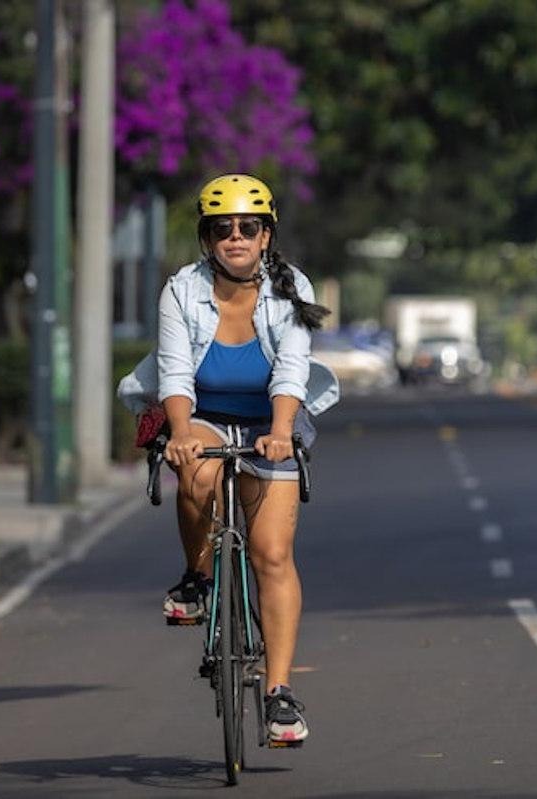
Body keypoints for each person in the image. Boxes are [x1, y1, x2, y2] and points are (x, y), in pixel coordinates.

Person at [118, 173, 339, 746]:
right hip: (204, 410)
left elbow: (291, 365)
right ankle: (197, 577)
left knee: (271, 554)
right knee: (195, 473)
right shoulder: (181, 290)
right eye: (223, 229)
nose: (235, 238)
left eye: (247, 227)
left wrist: (284, 433)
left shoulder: (292, 288)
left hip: (272, 419)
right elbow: (174, 370)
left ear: (266, 236)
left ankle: (279, 694)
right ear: (207, 238)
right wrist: (183, 431)